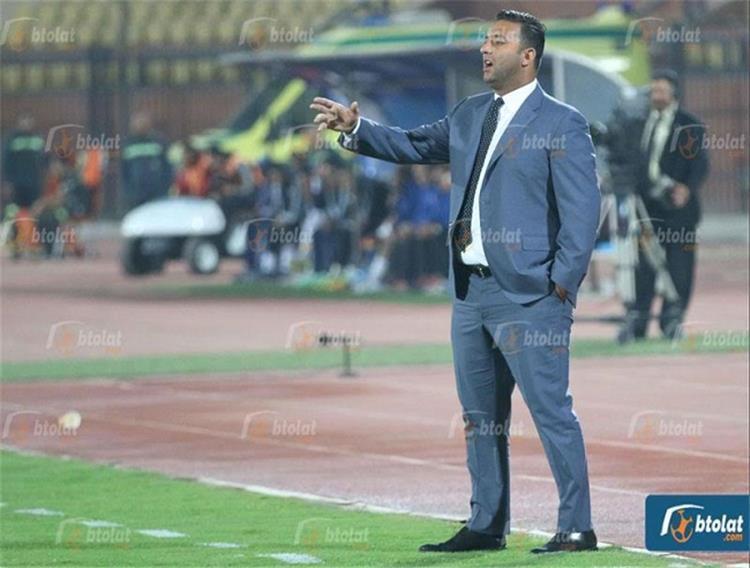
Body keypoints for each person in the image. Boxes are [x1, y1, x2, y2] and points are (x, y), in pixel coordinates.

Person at [311, 9, 600, 554]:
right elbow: (413, 145)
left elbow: (583, 213)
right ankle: (486, 525)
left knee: (550, 413)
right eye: (485, 40)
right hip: (471, 293)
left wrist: (561, 284)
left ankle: (577, 527)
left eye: (498, 41)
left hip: (531, 296)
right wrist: (355, 130)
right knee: (480, 419)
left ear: (528, 56)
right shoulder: (469, 113)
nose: (485, 49)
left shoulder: (562, 123)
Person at [619, 70, 709, 342]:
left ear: (673, 94)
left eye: (661, 91)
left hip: (679, 209)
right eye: (653, 91)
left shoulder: (690, 124)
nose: (656, 96)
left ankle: (672, 321)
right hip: (646, 208)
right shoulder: (639, 122)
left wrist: (686, 188)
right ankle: (639, 322)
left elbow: (700, 164)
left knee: (680, 267)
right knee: (643, 267)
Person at [120, 112, 172, 211]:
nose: (140, 125)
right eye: (138, 123)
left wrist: (164, 187)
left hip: (156, 192)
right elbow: (124, 170)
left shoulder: (158, 142)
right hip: (136, 193)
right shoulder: (128, 144)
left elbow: (167, 166)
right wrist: (128, 190)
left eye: (143, 123)